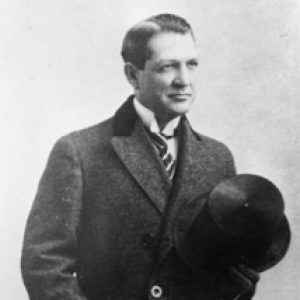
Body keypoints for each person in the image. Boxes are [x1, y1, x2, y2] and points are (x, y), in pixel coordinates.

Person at [21, 13, 259, 300]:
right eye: (168, 67)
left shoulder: (217, 157)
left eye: (191, 65)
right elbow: (44, 263)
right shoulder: (79, 151)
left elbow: (231, 266)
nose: (184, 80)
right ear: (133, 75)